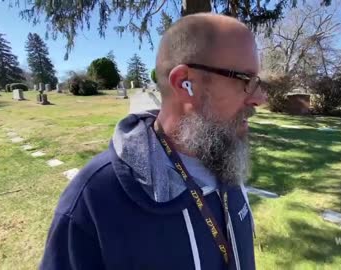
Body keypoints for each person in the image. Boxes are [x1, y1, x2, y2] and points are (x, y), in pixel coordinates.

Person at [40, 13, 267, 270]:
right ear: (185, 83)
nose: (260, 98)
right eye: (245, 80)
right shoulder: (94, 199)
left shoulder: (225, 159)